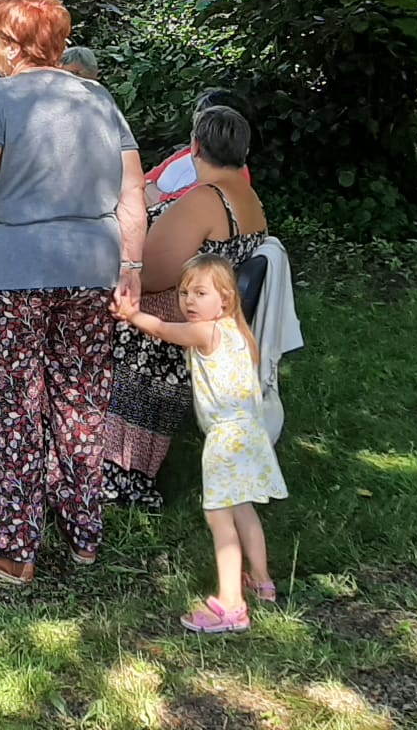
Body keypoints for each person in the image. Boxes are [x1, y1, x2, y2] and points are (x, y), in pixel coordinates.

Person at [0, 0, 146, 585]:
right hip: (91, 269)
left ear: (13, 47)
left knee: (14, 407)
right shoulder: (98, 99)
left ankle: (16, 549)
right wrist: (132, 267)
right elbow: (132, 195)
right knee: (81, 402)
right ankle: (83, 534)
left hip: (10, 277)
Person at [103, 103, 266, 512]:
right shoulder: (249, 199)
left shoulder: (204, 201)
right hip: (203, 315)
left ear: (194, 147)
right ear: (243, 151)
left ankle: (88, 451)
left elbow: (149, 275)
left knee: (72, 305)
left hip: (165, 319)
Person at [127, 254, 286, 633]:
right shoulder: (237, 332)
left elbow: (164, 329)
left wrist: (131, 315)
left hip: (226, 441)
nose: (189, 301)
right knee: (243, 509)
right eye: (184, 293)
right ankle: (262, 581)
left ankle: (231, 606)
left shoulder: (207, 332)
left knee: (219, 519)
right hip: (250, 435)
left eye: (200, 293)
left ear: (225, 299)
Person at [145, 89, 252, 209]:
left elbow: (175, 206)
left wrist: (148, 189)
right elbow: (145, 179)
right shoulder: (187, 152)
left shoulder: (232, 173)